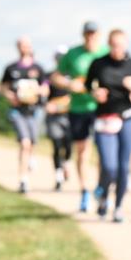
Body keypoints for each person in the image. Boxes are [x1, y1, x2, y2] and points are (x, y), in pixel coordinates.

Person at [85, 29, 131, 223]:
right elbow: (88, 85)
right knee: (109, 165)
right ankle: (102, 195)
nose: (117, 49)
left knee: (123, 166)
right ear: (109, 44)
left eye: (120, 45)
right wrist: (95, 92)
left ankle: (118, 206)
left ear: (126, 44)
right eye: (113, 45)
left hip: (127, 117)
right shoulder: (99, 63)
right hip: (105, 117)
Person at [53, 21, 108, 211]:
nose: (91, 37)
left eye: (94, 33)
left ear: (99, 34)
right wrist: (69, 85)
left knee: (103, 152)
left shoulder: (105, 52)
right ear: (83, 35)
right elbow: (56, 76)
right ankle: (85, 190)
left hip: (101, 109)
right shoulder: (73, 54)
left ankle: (103, 189)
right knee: (83, 151)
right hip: (79, 109)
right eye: (87, 34)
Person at [1, 37, 48, 194]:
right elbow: (3, 88)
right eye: (22, 45)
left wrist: (35, 91)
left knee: (32, 142)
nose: (24, 48)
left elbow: (45, 88)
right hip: (17, 111)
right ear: (18, 47)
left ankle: (31, 157)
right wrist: (11, 96)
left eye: (27, 45)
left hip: (34, 111)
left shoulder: (38, 68)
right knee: (24, 143)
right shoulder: (11, 68)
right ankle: (23, 179)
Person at [46, 46, 73, 191]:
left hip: (70, 115)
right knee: (56, 145)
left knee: (68, 145)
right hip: (54, 117)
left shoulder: (73, 75)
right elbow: (43, 91)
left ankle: (66, 162)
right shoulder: (49, 76)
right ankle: (58, 177)